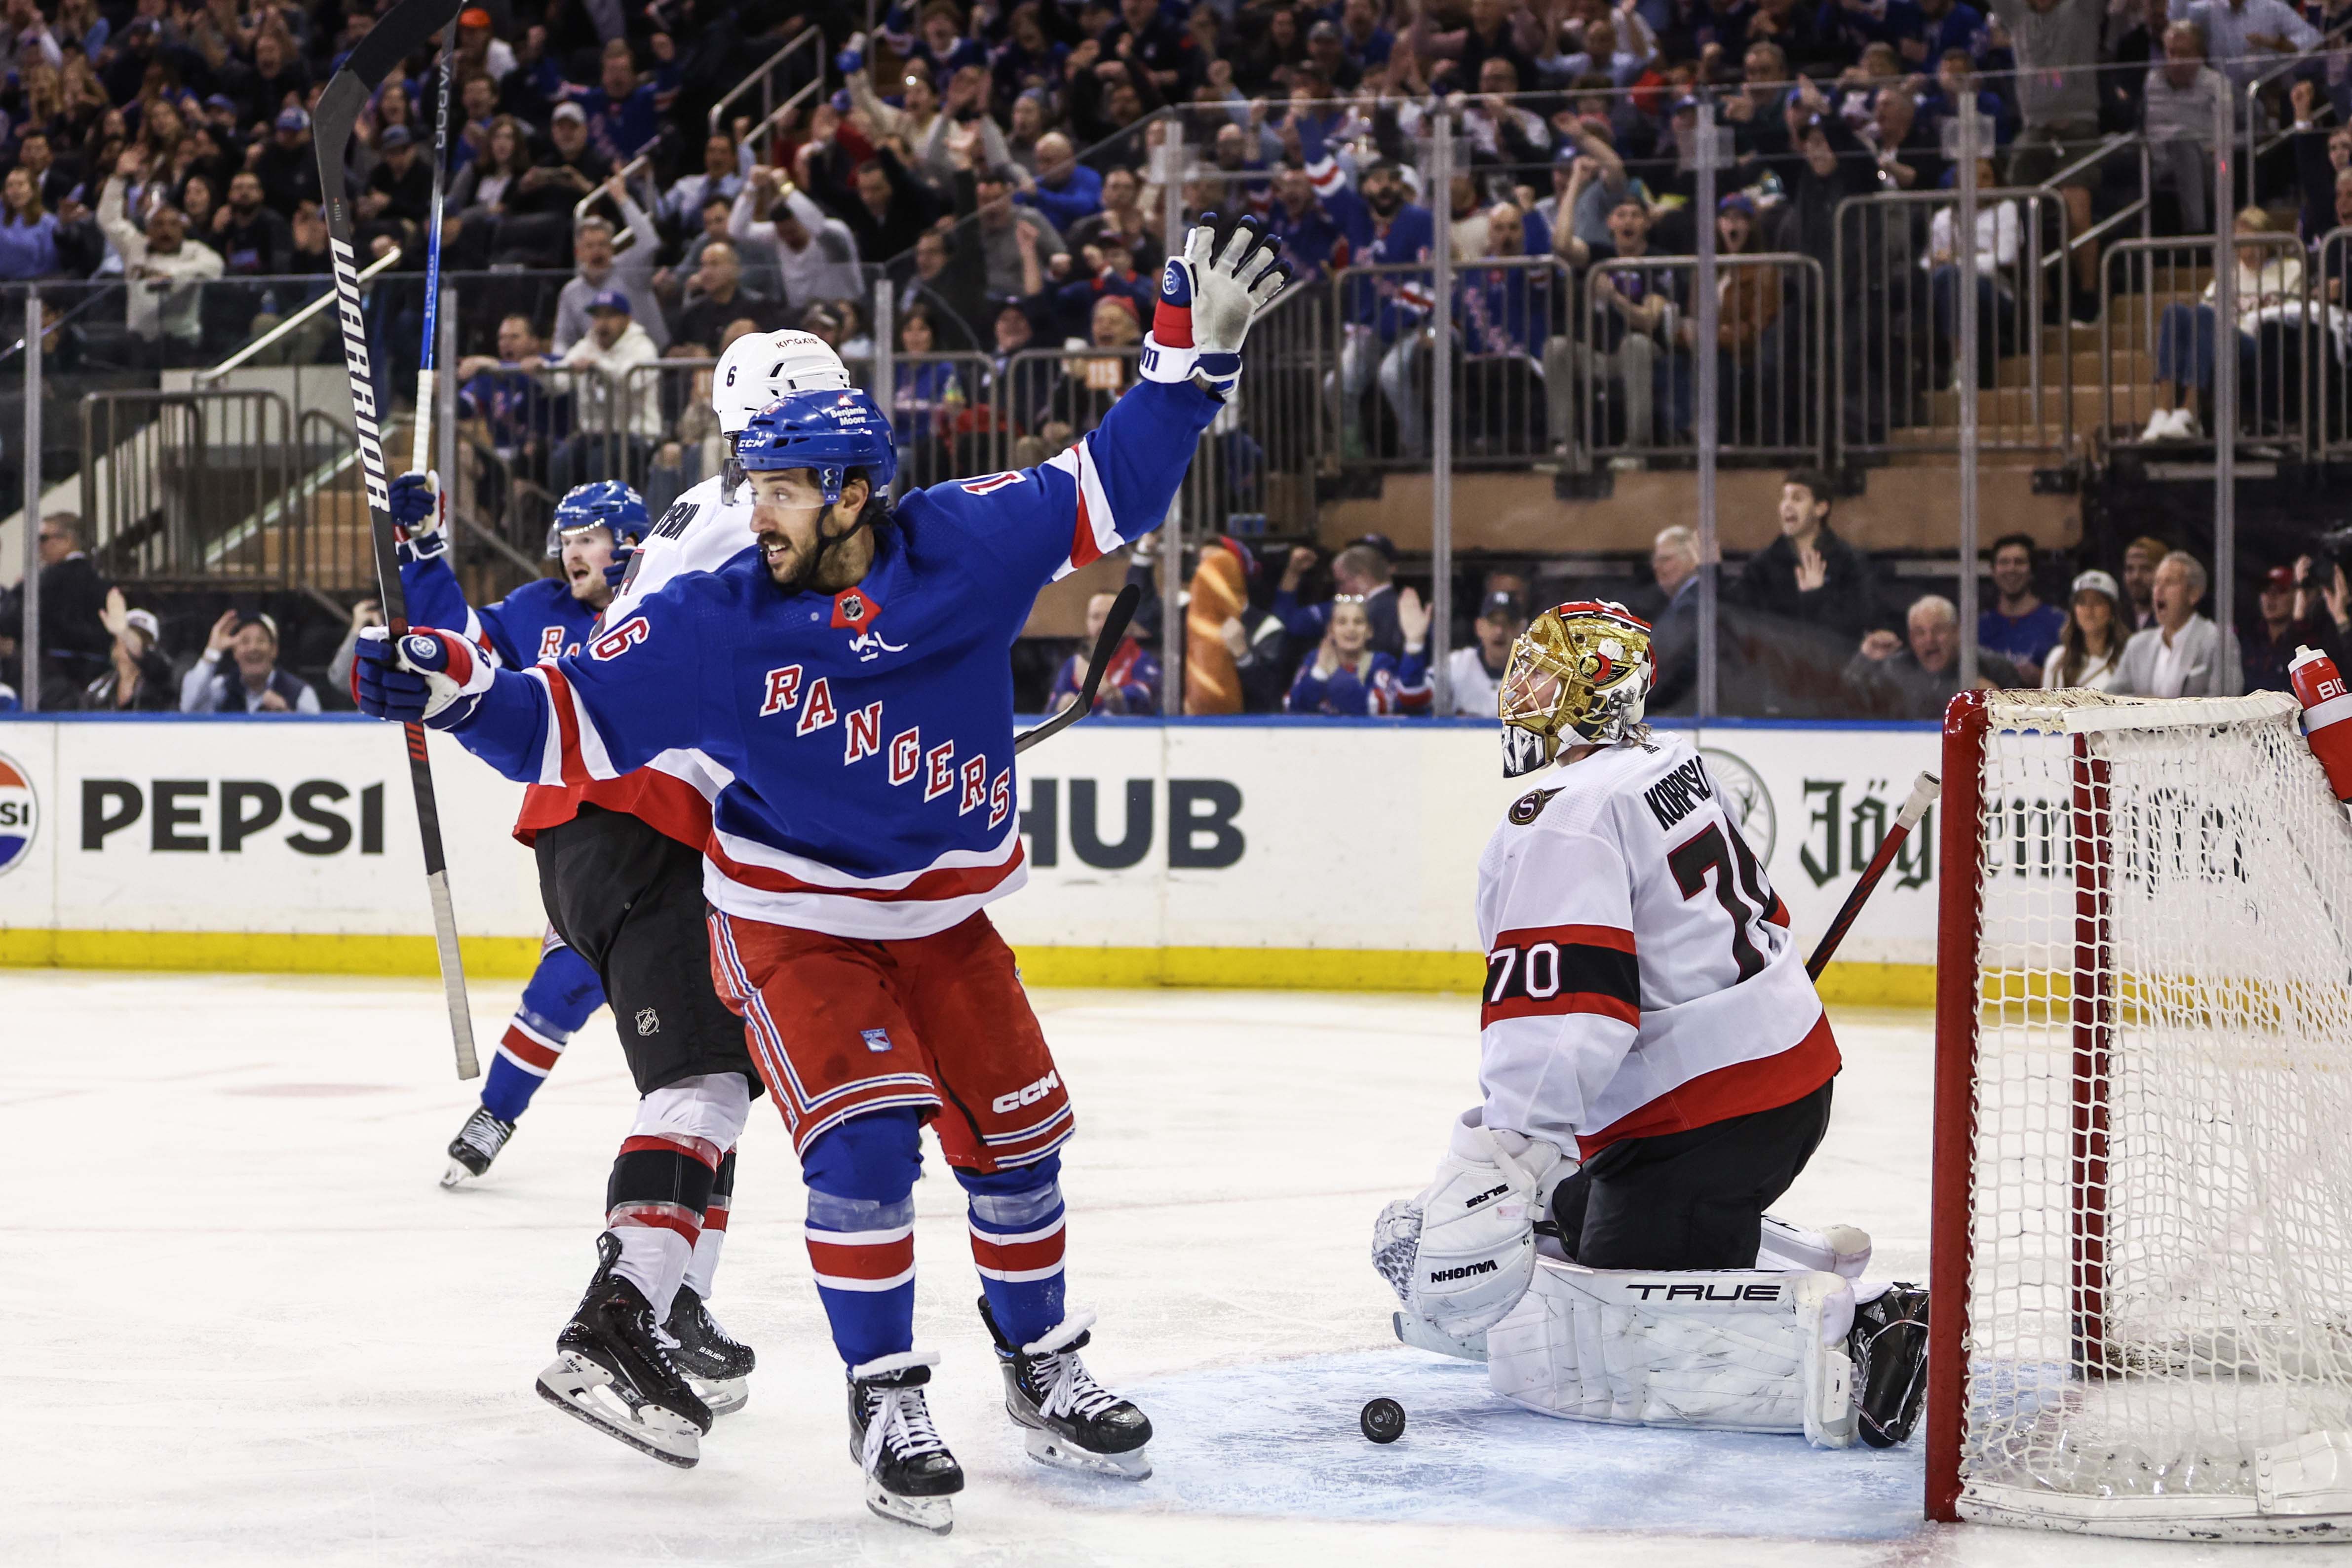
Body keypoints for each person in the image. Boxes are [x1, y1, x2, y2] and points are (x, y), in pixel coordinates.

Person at [351, 217, 1289, 1528]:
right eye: (752, 483)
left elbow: (1106, 489)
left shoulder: (963, 540)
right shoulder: (712, 617)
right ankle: (885, 1395)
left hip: (947, 919)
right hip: (787, 922)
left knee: (1016, 1154)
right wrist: (457, 690)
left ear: (853, 490)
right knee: (859, 1152)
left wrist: (1186, 373)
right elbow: (559, 726)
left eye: (781, 489)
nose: (757, 509)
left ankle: (1041, 1365)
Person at [377, 331, 858, 1473]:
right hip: (642, 816)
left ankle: (676, 1301)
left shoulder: (717, 504)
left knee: (723, 1074)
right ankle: (615, 1320)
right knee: (700, 1079)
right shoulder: (769, 514)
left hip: (624, 818)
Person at [1372, 599, 1926, 1450]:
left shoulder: (1564, 814)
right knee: (1578, 1218)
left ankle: (1868, 1326)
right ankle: (1811, 1265)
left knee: (1623, 1336)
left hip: (1705, 1120)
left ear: (1590, 694)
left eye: (1544, 672)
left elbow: (1568, 1015)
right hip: (1779, 1082)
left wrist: (1508, 1156)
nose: (1523, 688)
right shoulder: (1670, 762)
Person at [382, 480, 660, 1191]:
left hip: (676, 834)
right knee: (565, 986)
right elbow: (462, 648)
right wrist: (421, 551)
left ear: (629, 542)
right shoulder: (539, 612)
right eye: (565, 538)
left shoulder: (670, 601)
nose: (572, 550)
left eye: (588, 536)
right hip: (586, 842)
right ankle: (497, 1113)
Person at [2145, 209, 2303, 442]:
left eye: (2247, 234)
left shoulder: (2290, 269)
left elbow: (2295, 312)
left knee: (2206, 317)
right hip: (2220, 339)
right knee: (2175, 313)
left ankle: (2190, 412)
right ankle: (2162, 411)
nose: (2240, 241)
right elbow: (2204, 309)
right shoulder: (2228, 274)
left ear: (2265, 237)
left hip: (2257, 341)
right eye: (2237, 235)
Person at [1733, 469, 1875, 640]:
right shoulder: (1763, 563)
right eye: (1784, 498)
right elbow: (1737, 615)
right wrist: (1711, 571)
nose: (1787, 505)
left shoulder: (1849, 561)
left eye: (1797, 498)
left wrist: (1815, 596)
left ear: (1820, 509)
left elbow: (1856, 624)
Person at [1845, 596, 2022, 717]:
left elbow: (2025, 720)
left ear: (1956, 631)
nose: (1929, 640)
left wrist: (2001, 706)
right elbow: (1845, 696)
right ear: (1911, 638)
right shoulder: (1895, 669)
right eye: (1920, 632)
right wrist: (1865, 658)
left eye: (1939, 630)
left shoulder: (1994, 667)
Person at [2114, 550, 2244, 697]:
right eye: (2157, 582)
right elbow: (2111, 697)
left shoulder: (2218, 641)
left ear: (2194, 594)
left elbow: (2226, 703)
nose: (2159, 590)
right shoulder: (2138, 645)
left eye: (2170, 582)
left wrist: (2163, 710)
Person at [1284, 592, 1434, 715]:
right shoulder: (1314, 660)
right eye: (1342, 622)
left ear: (1370, 631)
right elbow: (1294, 707)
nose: (1351, 629)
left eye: (1359, 622)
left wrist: (1415, 643)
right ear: (1331, 630)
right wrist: (1320, 672)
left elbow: (1383, 705)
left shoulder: (1382, 662)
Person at [179, 611, 320, 714]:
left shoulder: (301, 693)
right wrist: (212, 652)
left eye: (261, 641)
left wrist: (287, 716)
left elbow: (319, 742)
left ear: (274, 650)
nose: (253, 648)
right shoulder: (222, 688)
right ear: (235, 653)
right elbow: (189, 708)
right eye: (245, 641)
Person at [1978, 532, 2068, 684]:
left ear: (2032, 571)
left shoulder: (2060, 623)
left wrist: (2043, 678)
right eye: (2004, 562)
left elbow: (2077, 680)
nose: (2011, 569)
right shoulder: (1979, 627)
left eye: (2019, 562)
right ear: (1993, 571)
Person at [1050, 590, 1159, 714]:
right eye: (1096, 617)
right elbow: (1050, 710)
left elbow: (1146, 705)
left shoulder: (1142, 660)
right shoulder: (1074, 665)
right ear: (1088, 622)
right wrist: (1061, 706)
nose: (1102, 624)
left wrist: (1107, 691)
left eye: (1110, 616)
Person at [78, 590, 172, 711]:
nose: (126, 643)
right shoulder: (98, 690)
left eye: (141, 638)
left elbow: (154, 664)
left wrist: (124, 632)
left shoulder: (160, 681)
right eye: (122, 638)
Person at [1647, 524, 1702, 711]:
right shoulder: (1680, 603)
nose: (1657, 567)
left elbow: (1672, 668)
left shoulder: (1693, 606)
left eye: (1666, 559)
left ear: (1693, 561)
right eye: (1655, 560)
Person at [2043, 569, 2128, 690]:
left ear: (2112, 610)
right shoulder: (2057, 659)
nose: (2089, 609)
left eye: (2098, 602)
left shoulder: (2126, 659)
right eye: (2082, 602)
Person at [1446, 591, 1527, 716]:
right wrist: (1415, 646)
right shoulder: (1455, 665)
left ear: (1521, 629)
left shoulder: (1537, 673)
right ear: (1479, 627)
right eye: (1493, 622)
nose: (1499, 631)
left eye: (1508, 623)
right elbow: (1413, 697)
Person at [2242, 565, 2311, 692]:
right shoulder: (2250, 638)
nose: (2270, 597)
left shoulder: (2307, 638)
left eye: (2280, 591)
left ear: (2296, 596)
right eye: (2266, 590)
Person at [2121, 534, 2168, 629]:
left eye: (2146, 569)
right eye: (2130, 569)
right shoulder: (2117, 622)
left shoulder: (2173, 622)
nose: (2136, 577)